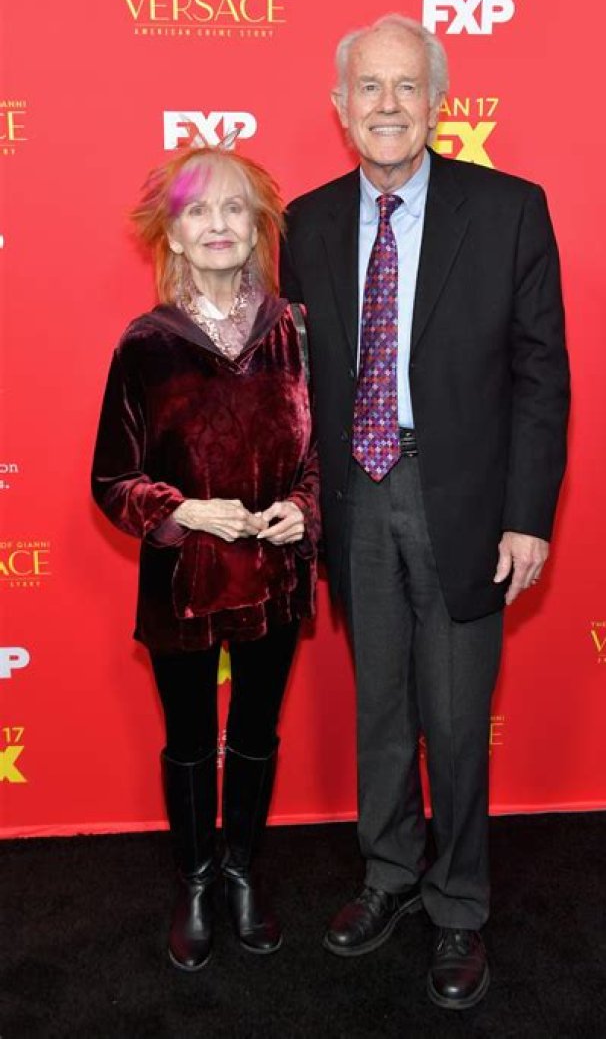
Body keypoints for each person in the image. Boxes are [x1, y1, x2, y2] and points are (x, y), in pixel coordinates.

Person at [280, 14, 570, 1010]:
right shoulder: (306, 224)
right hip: (355, 494)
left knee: (453, 717)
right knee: (381, 706)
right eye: (369, 87)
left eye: (407, 86)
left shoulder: (510, 210)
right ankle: (391, 871)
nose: (388, 105)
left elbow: (541, 375)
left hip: (466, 501)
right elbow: (293, 386)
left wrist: (528, 515)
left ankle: (457, 904)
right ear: (341, 107)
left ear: (439, 104)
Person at [92, 145, 319, 972]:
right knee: (189, 739)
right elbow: (112, 481)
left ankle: (240, 871)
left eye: (234, 209)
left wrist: (305, 509)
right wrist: (183, 510)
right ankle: (194, 881)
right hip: (182, 586)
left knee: (255, 731)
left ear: (257, 229)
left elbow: (320, 455)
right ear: (175, 235)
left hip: (273, 583)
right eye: (198, 211)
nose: (218, 224)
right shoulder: (146, 344)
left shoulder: (295, 331)